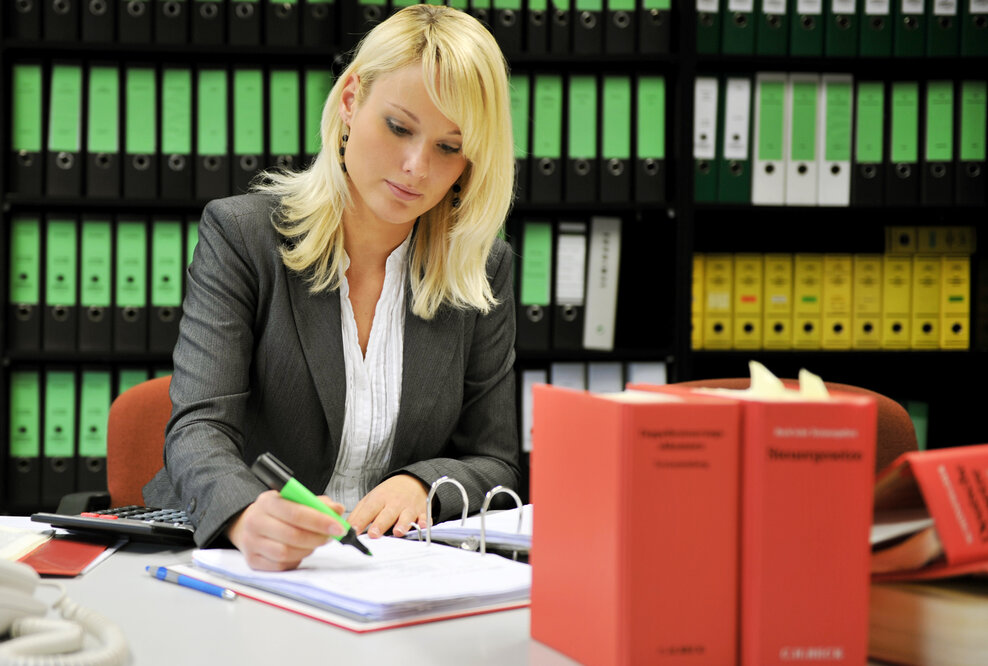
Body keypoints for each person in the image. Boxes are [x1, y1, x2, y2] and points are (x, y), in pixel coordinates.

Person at [143, 4, 520, 571]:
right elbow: (199, 428)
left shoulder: (481, 269)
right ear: (350, 101)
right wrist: (247, 515)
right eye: (399, 126)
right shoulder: (244, 236)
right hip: (247, 564)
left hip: (392, 571)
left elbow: (495, 461)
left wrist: (423, 485)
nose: (417, 166)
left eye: (449, 146)